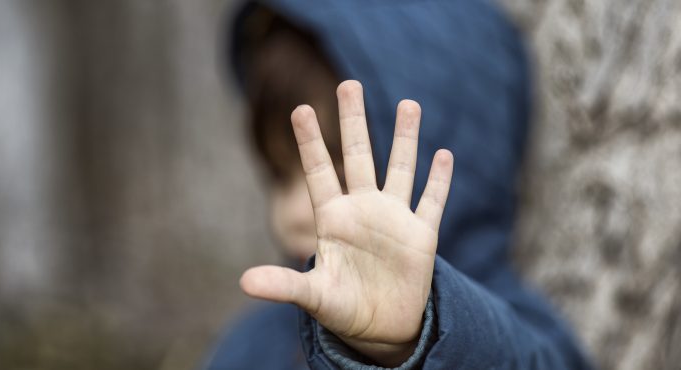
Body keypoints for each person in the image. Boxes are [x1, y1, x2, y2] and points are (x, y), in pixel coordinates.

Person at [206, 0, 593, 369]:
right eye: (278, 175)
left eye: (338, 177)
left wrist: (415, 340)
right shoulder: (251, 347)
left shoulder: (512, 338)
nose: (290, 214)